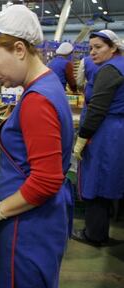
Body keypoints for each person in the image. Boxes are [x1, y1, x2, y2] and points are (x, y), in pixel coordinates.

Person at [0, 5, 74, 288]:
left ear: (20, 49)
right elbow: (32, 159)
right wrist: (3, 184)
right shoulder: (48, 85)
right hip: (41, 214)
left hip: (28, 224)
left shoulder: (37, 101)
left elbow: (46, 180)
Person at [72, 30, 124, 246]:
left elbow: (97, 110)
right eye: (91, 47)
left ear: (112, 47)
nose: (92, 52)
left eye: (98, 47)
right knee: (111, 178)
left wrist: (82, 138)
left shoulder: (110, 70)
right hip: (116, 130)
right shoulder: (119, 64)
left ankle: (94, 235)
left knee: (97, 182)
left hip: (105, 134)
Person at [76, 55, 99, 127]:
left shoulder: (85, 60)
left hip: (90, 97)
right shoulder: (116, 62)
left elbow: (79, 82)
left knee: (85, 123)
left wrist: (83, 91)